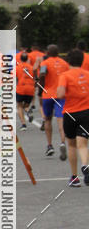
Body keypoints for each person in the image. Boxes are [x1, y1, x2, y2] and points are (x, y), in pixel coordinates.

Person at [57, 48, 89, 186]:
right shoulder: (88, 74)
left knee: (71, 144)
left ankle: (74, 177)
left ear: (68, 60)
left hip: (70, 113)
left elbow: (60, 94)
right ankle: (85, 166)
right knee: (83, 144)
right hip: (86, 112)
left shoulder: (65, 75)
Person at [38, 45, 69, 158]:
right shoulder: (64, 64)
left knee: (47, 120)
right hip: (61, 95)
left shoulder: (45, 63)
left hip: (48, 95)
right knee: (61, 120)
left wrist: (41, 86)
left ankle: (50, 145)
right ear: (58, 53)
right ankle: (62, 142)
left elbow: (42, 74)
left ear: (47, 52)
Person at [15, 53, 35, 129]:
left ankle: (23, 124)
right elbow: (35, 76)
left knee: (19, 106)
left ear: (20, 59)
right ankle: (28, 110)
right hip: (30, 88)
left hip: (21, 88)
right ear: (27, 59)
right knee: (26, 105)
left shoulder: (18, 67)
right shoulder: (31, 67)